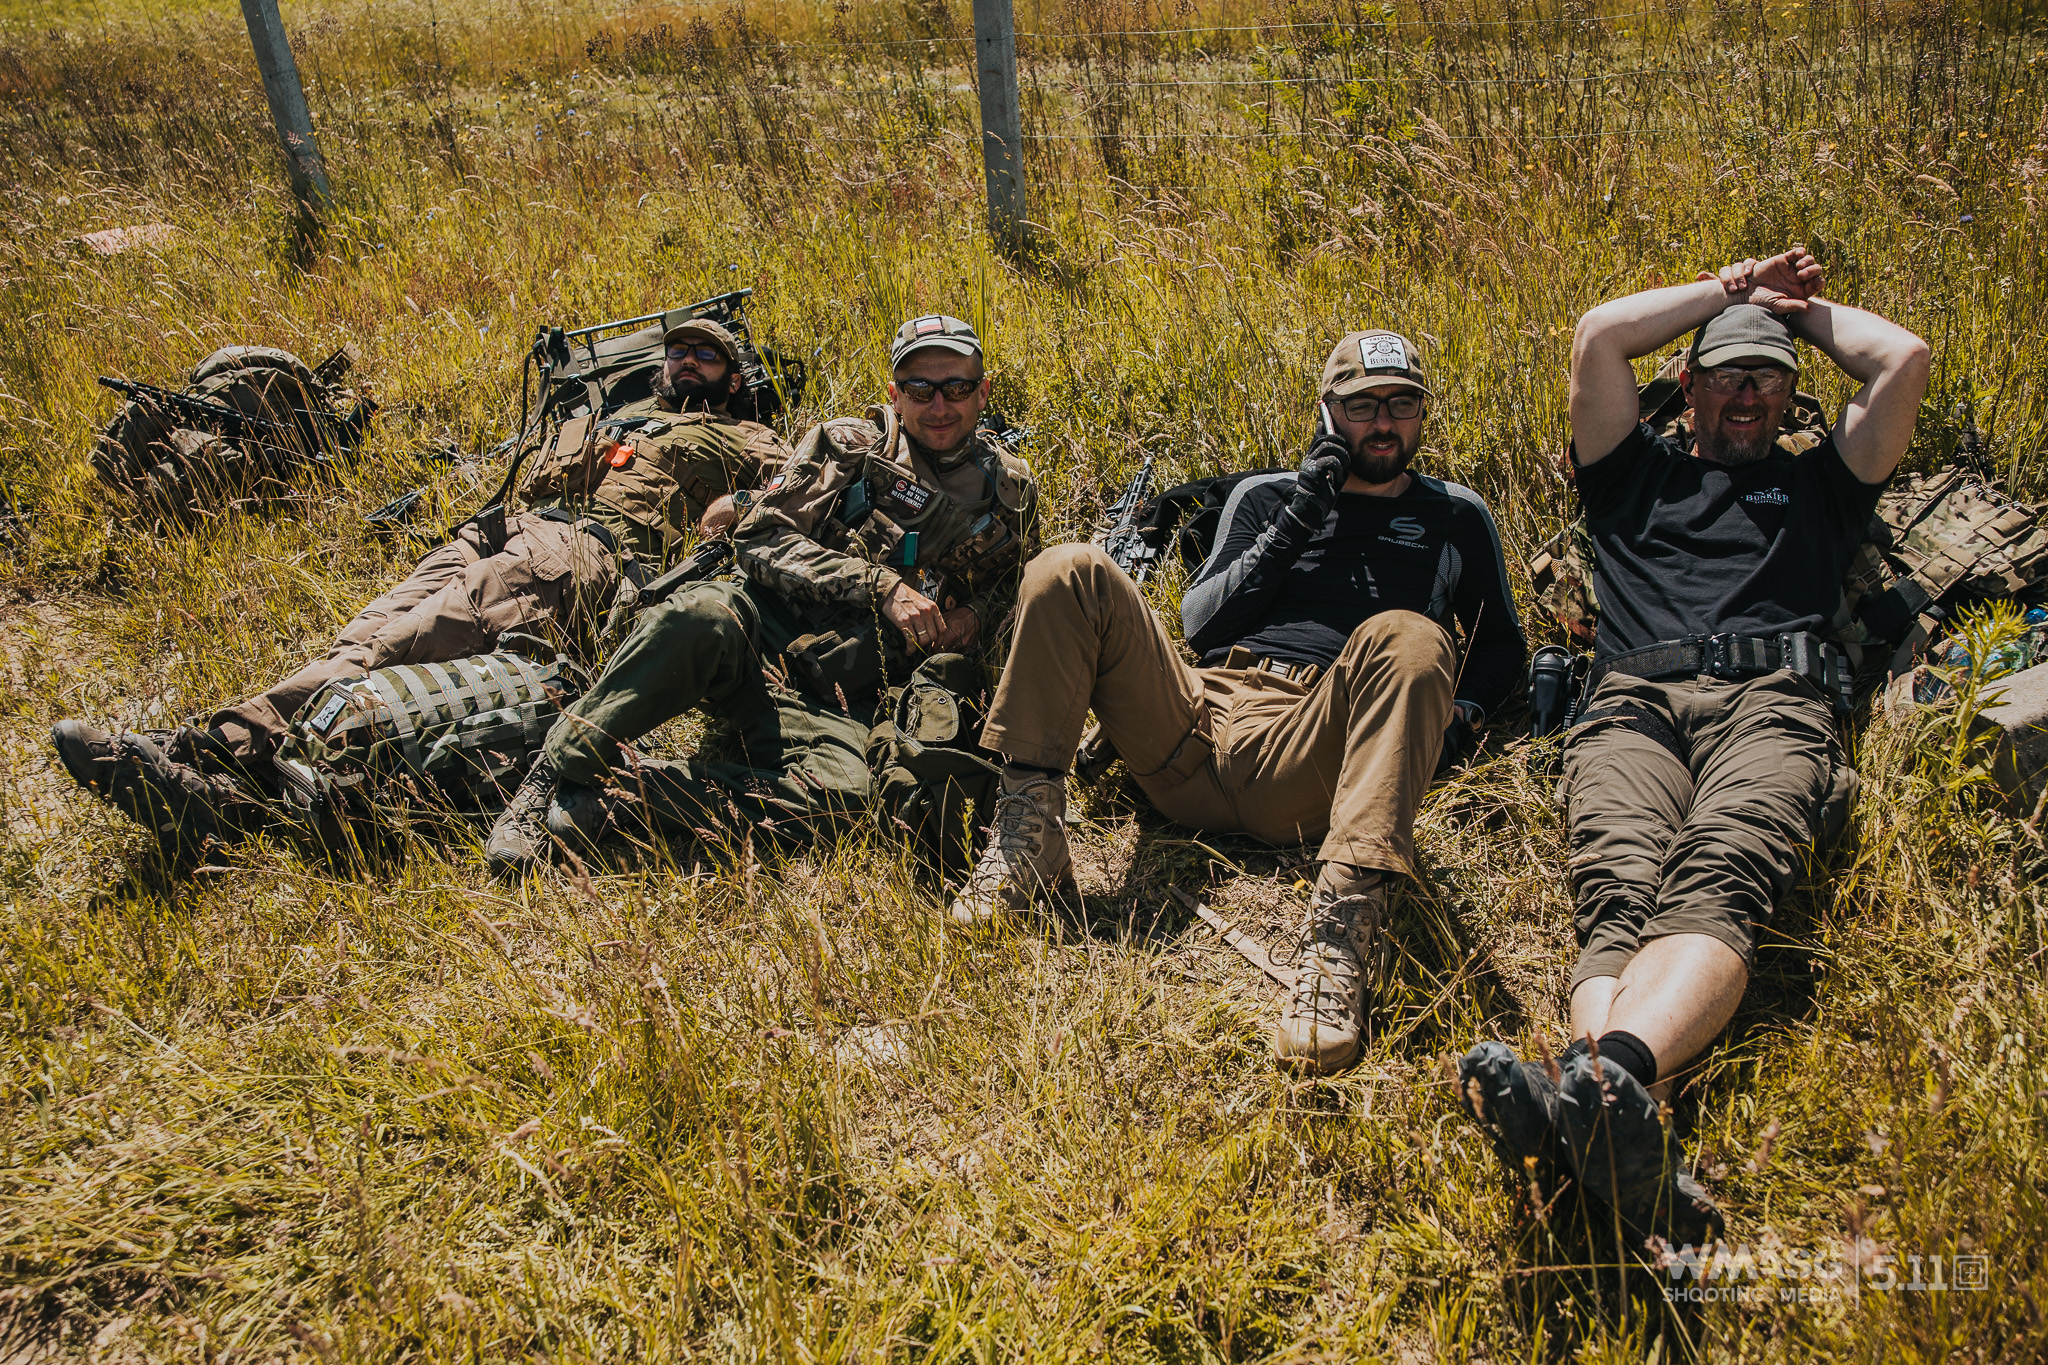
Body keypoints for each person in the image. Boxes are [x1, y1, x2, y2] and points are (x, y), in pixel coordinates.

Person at [1455, 248, 1931, 1250]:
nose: (1747, 393)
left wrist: (1789, 314)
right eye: (1727, 374)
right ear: (1688, 383)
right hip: (1633, 699)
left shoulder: (1822, 487)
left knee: (1720, 868)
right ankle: (1615, 1120)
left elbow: (1903, 359)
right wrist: (1729, 292)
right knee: (1617, 894)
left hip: (1773, 699)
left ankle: (1596, 1084)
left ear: (1791, 394)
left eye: (1767, 377)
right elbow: (1597, 335)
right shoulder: (1630, 475)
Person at [950, 330, 1526, 1076]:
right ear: (1328, 412)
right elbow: (1201, 625)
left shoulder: (1455, 514)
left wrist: (1458, 717)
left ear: (1423, 413)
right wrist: (1304, 509)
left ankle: (1339, 940)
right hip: (1195, 722)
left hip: (1313, 752)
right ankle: (1030, 834)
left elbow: (1501, 644)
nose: (1383, 423)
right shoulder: (1268, 496)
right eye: (1362, 407)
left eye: (1401, 404)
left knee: (1411, 635)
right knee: (1069, 569)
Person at [52, 319, 788, 856]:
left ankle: (207, 751)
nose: (688, 361)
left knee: (399, 646)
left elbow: (797, 492)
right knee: (364, 636)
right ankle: (233, 785)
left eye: (707, 355)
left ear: (734, 378)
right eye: (679, 350)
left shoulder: (749, 436)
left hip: (578, 552)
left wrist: (734, 508)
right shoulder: (618, 415)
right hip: (500, 527)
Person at [484, 314, 1042, 874]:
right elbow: (760, 537)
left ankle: (625, 795)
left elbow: (1015, 590)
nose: (939, 404)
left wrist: (975, 615)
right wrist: (879, 585)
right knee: (695, 616)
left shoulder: (1011, 490)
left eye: (957, 387)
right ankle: (554, 772)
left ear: (982, 392)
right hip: (762, 629)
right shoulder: (849, 446)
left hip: (845, 689)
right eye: (920, 388)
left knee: (848, 799)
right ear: (895, 395)